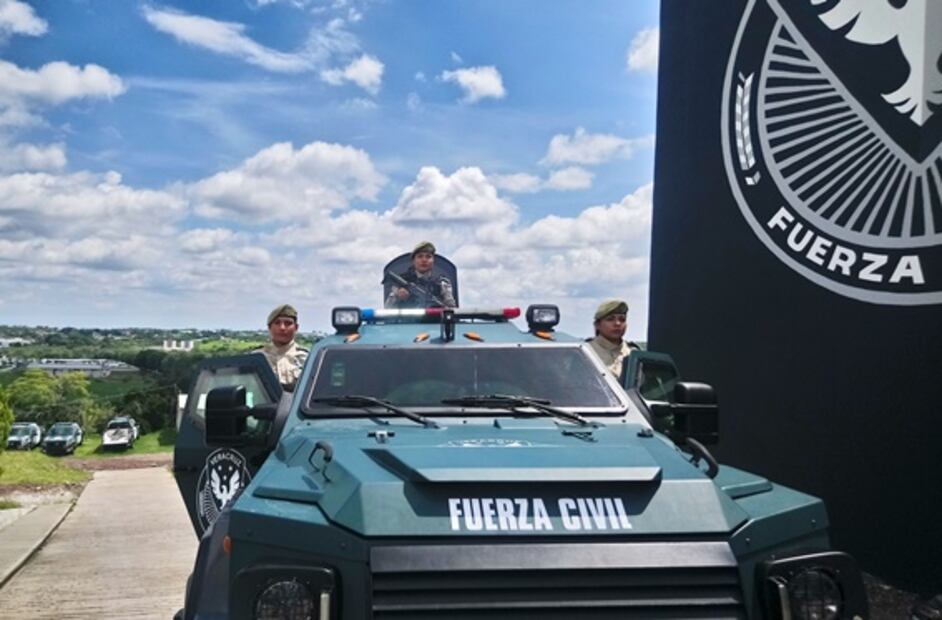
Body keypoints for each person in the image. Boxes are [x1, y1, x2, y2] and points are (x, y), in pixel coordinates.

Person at [385, 241, 457, 309]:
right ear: (413, 261)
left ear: (433, 260)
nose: (424, 260)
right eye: (420, 256)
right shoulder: (401, 281)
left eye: (428, 257)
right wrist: (397, 296)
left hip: (434, 321)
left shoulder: (442, 282)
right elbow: (387, 308)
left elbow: (451, 308)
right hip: (407, 321)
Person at [256, 304, 308, 390]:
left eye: (288, 323)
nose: (282, 328)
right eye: (277, 323)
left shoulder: (308, 359)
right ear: (269, 327)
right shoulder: (257, 358)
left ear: (296, 327)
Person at [587, 299, 637, 380]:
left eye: (622, 319)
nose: (617, 323)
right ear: (597, 325)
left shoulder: (632, 354)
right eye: (610, 319)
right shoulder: (586, 352)